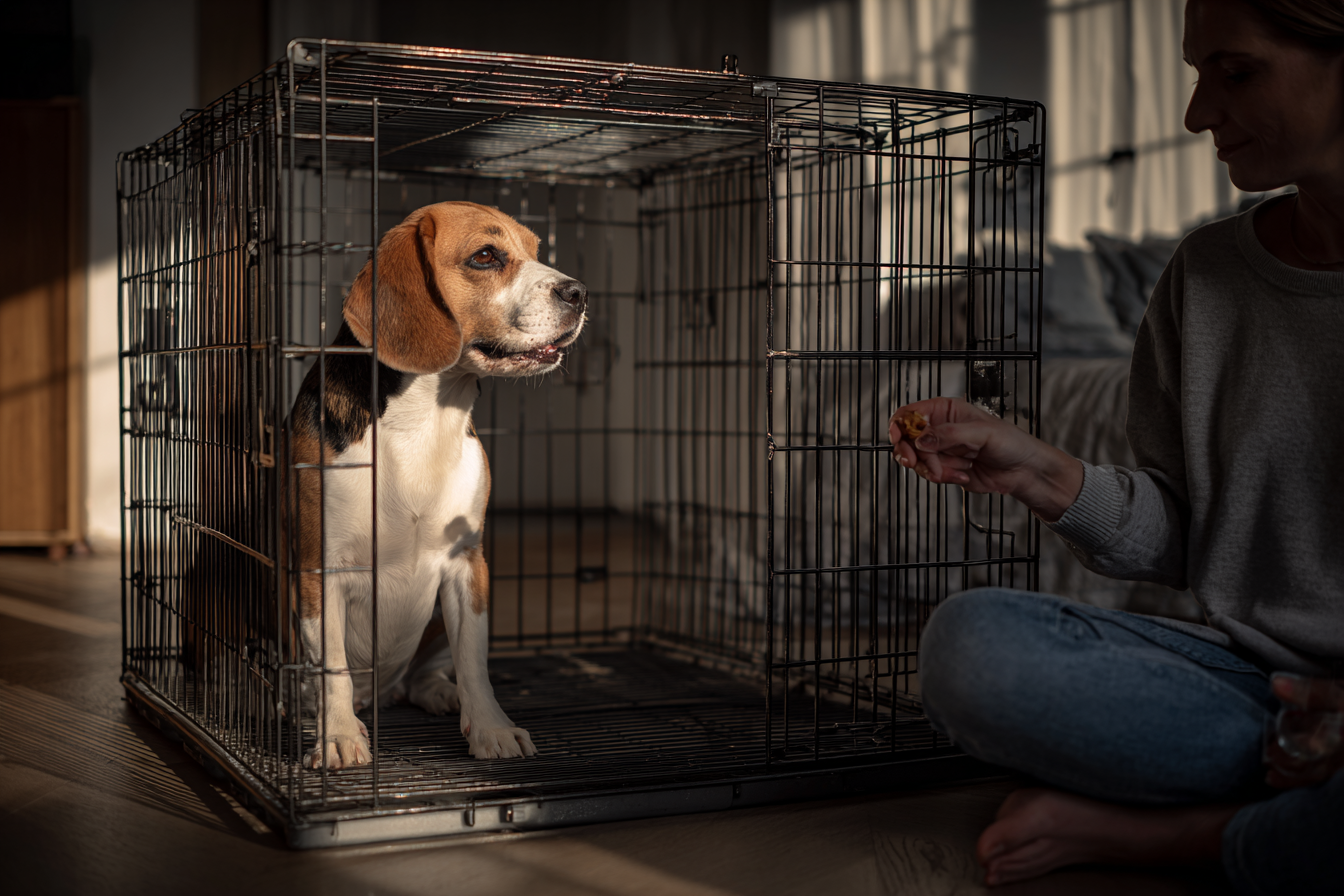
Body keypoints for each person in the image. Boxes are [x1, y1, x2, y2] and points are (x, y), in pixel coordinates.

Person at [889, 0, 1344, 891]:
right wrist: (1041, 471)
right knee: (971, 647)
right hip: (1254, 688)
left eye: (1237, 71)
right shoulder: (1206, 275)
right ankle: (1306, 802)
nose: (1196, 115)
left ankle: (1185, 837)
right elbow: (1189, 532)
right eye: (1195, 74)